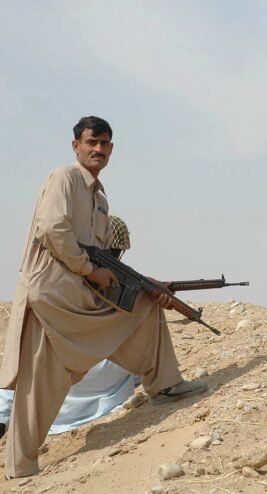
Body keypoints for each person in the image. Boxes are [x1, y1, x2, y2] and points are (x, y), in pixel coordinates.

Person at [0, 116, 207, 479]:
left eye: (105, 143)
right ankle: (20, 468)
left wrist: (144, 282)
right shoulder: (64, 177)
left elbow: (102, 258)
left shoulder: (99, 196)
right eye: (92, 142)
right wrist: (89, 269)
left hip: (80, 294)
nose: (98, 149)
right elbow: (52, 229)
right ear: (76, 146)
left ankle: (165, 384)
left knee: (144, 301)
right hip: (52, 295)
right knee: (41, 379)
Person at [0, 216, 137, 439]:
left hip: (54, 418)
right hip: (107, 407)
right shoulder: (119, 301)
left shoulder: (51, 291)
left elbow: (16, 373)